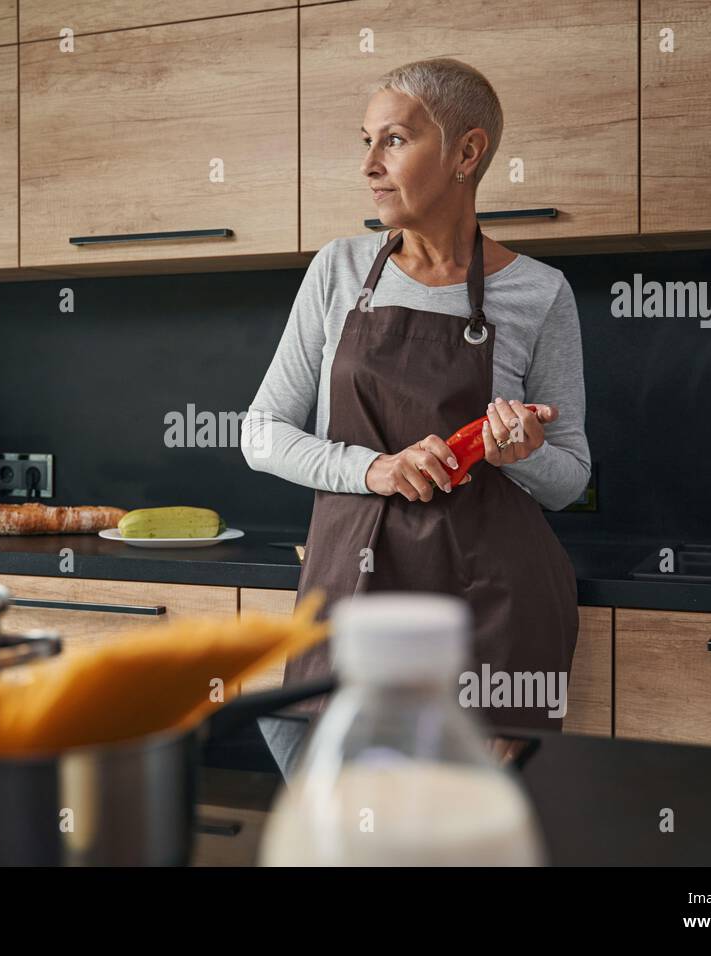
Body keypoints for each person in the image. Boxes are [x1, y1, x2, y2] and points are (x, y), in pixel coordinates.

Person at [242, 57, 590, 777]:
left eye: (394, 140)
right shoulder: (338, 270)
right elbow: (261, 432)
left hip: (493, 606)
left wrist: (523, 454)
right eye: (364, 142)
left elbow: (572, 480)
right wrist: (375, 467)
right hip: (352, 583)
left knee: (468, 833)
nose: (370, 164)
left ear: (467, 152)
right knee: (337, 819)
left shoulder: (540, 293)